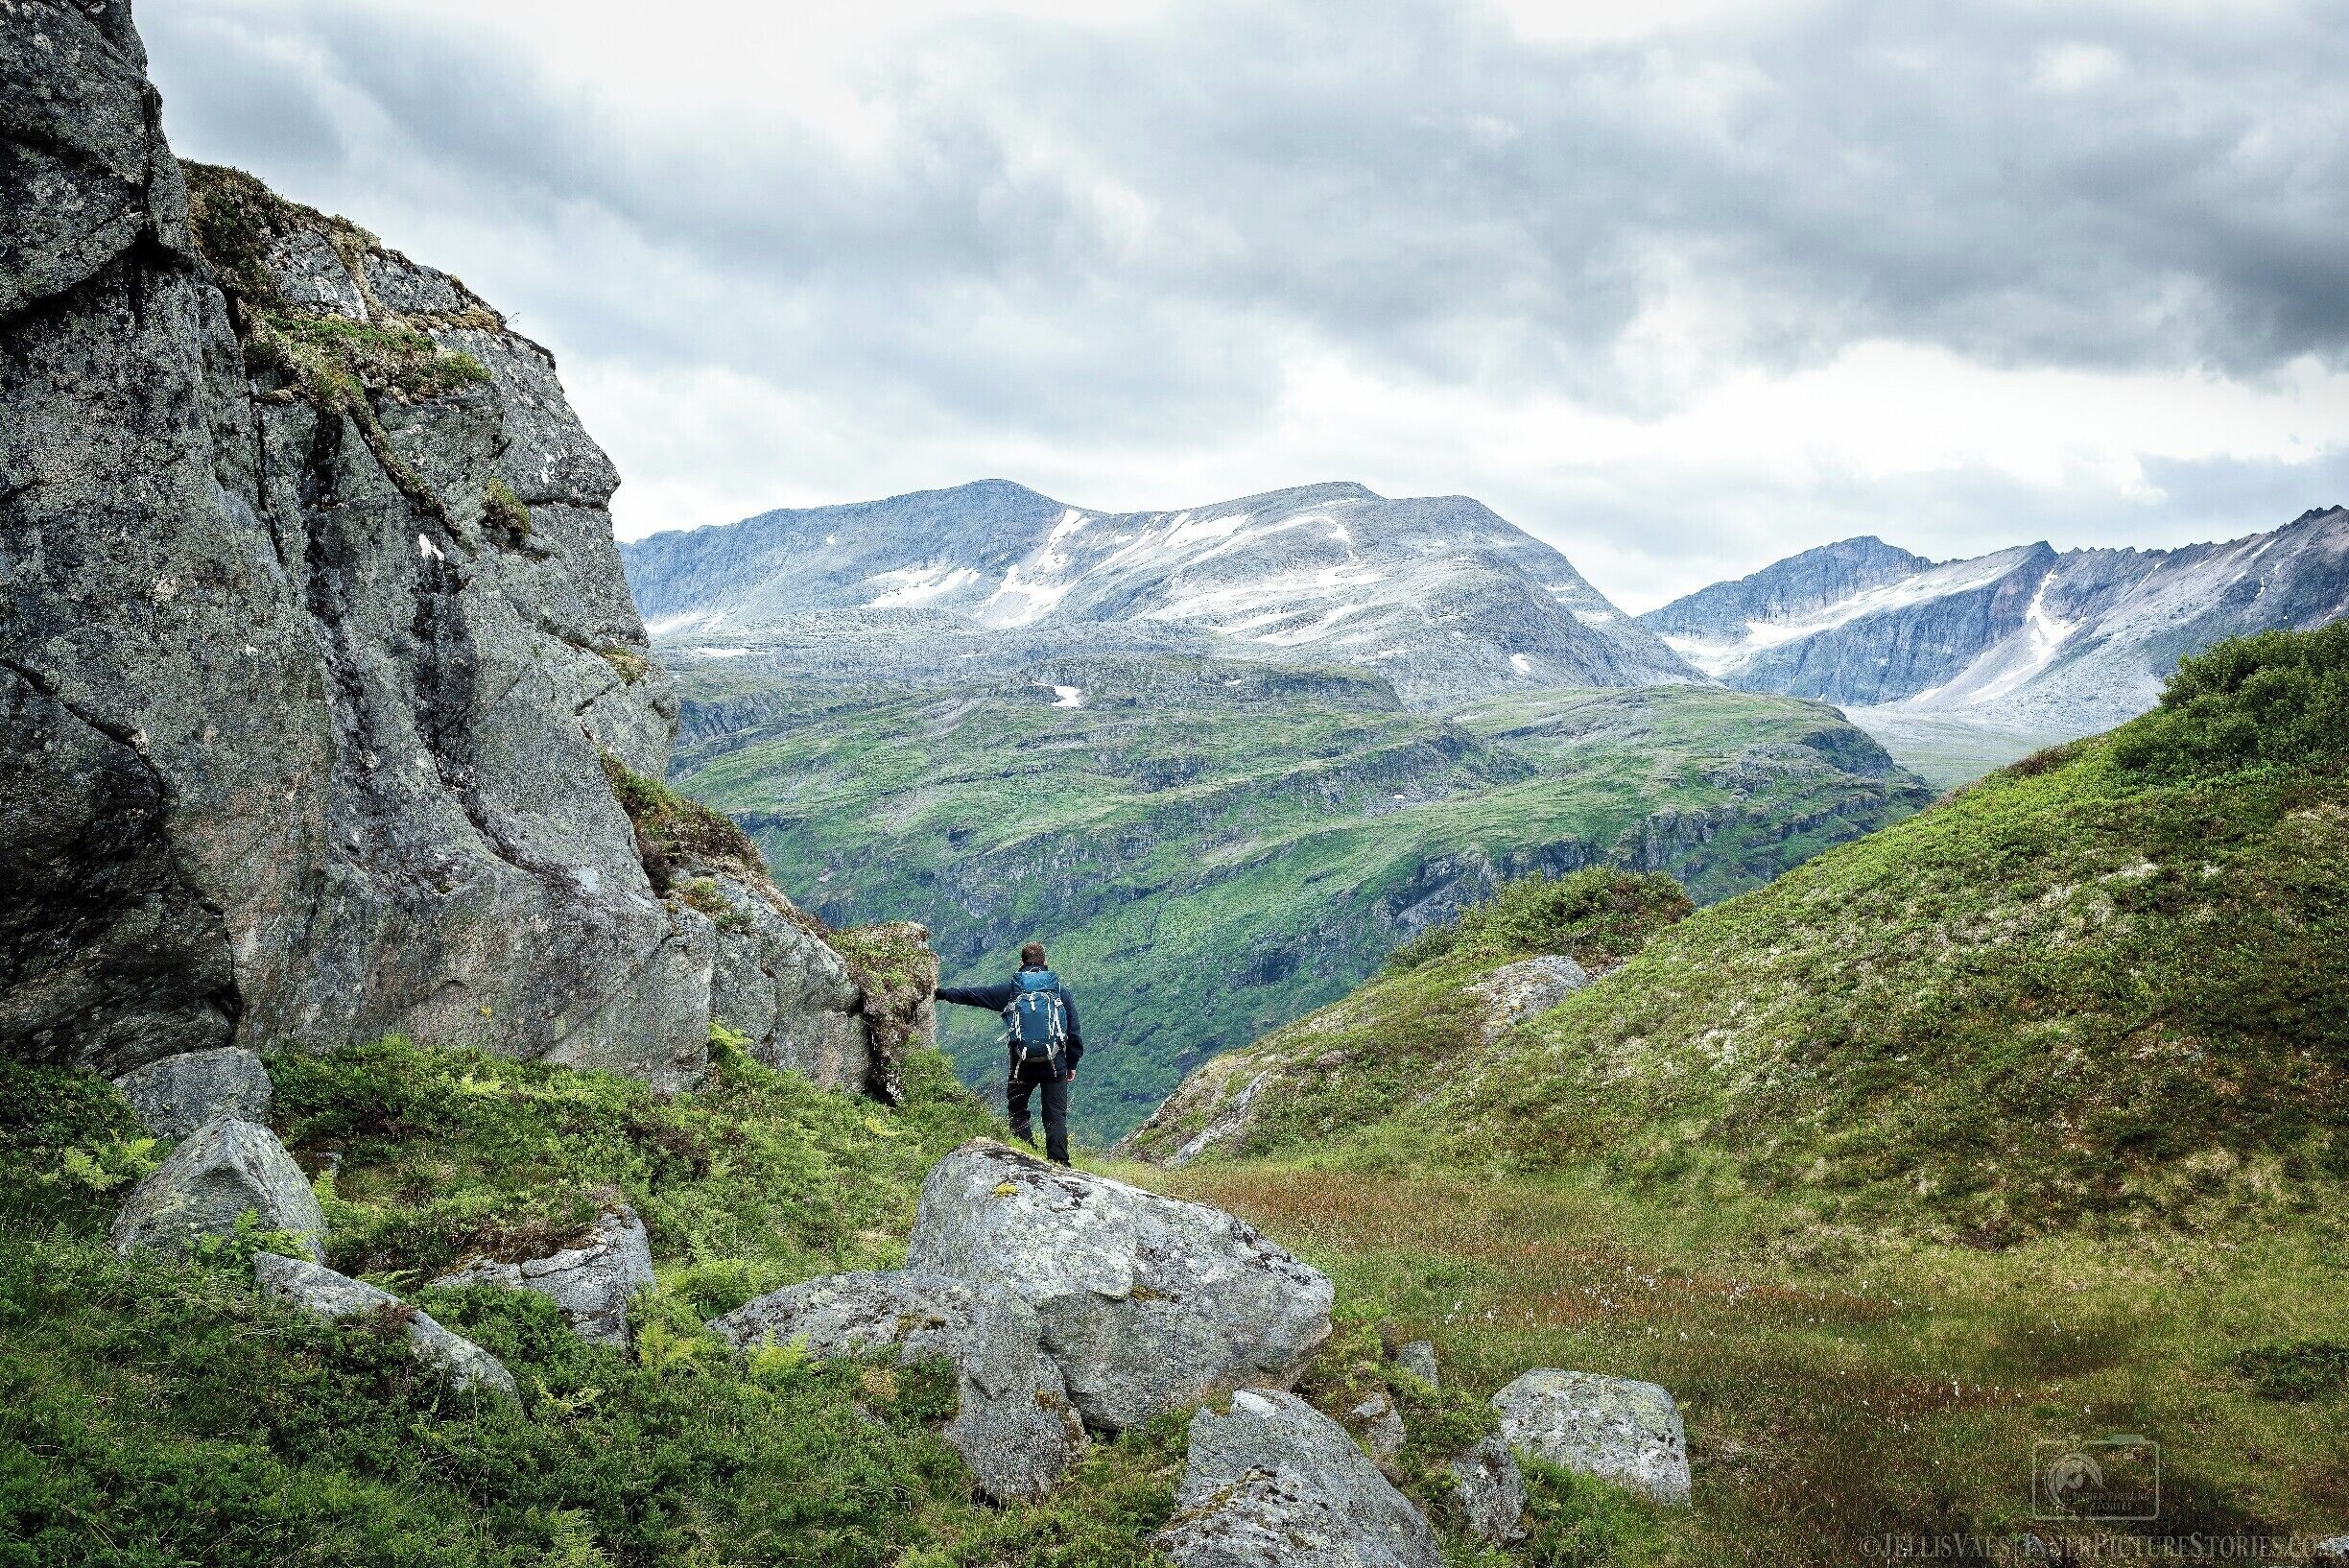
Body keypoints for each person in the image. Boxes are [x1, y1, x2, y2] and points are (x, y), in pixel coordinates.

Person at [935, 940, 1082, 1165]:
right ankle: (1059, 1163)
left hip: (1022, 1065)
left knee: (1017, 1107)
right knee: (1055, 1116)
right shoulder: (1060, 991)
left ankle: (1026, 1157)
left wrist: (943, 993)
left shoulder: (1012, 990)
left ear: (1021, 963)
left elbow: (976, 995)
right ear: (1045, 962)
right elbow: (1073, 1032)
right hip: (1055, 1064)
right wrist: (1071, 1064)